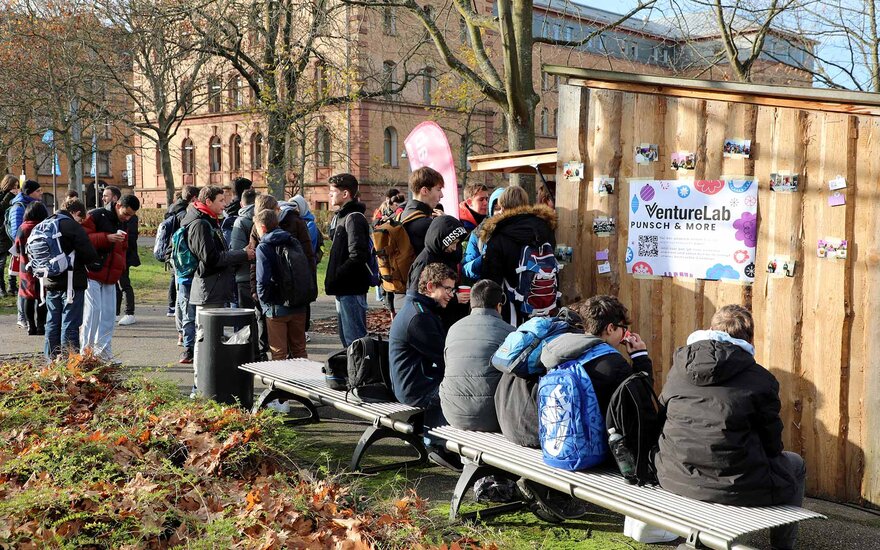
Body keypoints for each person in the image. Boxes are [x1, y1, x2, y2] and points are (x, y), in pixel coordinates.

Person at [654, 305, 805, 550]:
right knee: (796, 464)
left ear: (711, 330)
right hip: (733, 486)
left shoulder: (679, 369)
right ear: (749, 338)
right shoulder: (761, 379)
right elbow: (773, 445)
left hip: (675, 475)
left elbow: (662, 417)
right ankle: (783, 547)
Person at [389, 262, 458, 467]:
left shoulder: (418, 308)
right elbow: (444, 357)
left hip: (414, 381)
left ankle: (436, 440)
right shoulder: (418, 317)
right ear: (430, 287)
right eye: (447, 289)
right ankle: (438, 444)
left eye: (452, 289)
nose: (451, 294)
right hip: (415, 388)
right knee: (462, 392)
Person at [179, 186, 254, 371]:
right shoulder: (200, 224)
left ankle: (212, 380)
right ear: (208, 202)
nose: (225, 204)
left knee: (212, 337)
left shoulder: (208, 220)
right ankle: (201, 384)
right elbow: (211, 258)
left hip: (213, 287)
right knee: (205, 337)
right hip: (208, 289)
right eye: (221, 200)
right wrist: (242, 255)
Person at [439, 279, 513, 432]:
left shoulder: (453, 329)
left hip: (452, 412)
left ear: (471, 303)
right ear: (499, 306)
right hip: (493, 416)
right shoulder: (509, 332)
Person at [248, 194, 316, 359]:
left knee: (278, 352)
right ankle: (302, 383)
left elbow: (260, 274)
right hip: (299, 300)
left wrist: (262, 300)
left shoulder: (263, 246)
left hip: (276, 305)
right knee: (299, 349)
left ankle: (279, 385)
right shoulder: (294, 238)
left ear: (261, 227)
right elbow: (309, 260)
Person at [479, 185, 557, 325]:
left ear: (503, 206)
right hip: (545, 304)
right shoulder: (545, 228)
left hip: (513, 310)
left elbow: (491, 278)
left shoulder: (499, 234)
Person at [80, 193, 140, 360]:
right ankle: (86, 352)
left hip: (110, 274)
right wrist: (107, 238)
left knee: (108, 314)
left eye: (131, 215)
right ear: (118, 204)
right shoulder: (96, 215)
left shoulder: (122, 221)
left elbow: (122, 248)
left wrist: (123, 243)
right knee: (93, 312)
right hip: (92, 271)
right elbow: (83, 238)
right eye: (126, 213)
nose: (127, 218)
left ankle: (104, 351)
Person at [43, 198, 98, 360]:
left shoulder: (47, 222)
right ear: (76, 213)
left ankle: (50, 360)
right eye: (81, 219)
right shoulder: (72, 226)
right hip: (71, 282)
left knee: (52, 322)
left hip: (50, 279)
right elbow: (89, 254)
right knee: (70, 323)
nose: (81, 223)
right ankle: (69, 363)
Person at [324, 173, 372, 347]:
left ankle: (361, 374)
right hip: (343, 288)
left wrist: (338, 274)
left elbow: (358, 255)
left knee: (355, 342)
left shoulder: (353, 218)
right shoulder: (341, 217)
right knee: (347, 340)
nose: (329, 195)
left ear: (345, 194)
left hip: (351, 288)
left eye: (332, 191)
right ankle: (350, 372)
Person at [407, 214, 469, 329]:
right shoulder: (424, 262)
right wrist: (455, 299)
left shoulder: (448, 256)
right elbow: (417, 297)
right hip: (432, 320)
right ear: (442, 240)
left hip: (449, 318)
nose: (454, 248)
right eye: (452, 243)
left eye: (457, 243)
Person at [7, 180, 42, 329]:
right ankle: (23, 318)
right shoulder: (19, 206)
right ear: (30, 192)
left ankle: (30, 321)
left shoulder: (32, 205)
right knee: (26, 289)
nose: (41, 193)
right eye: (38, 191)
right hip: (23, 254)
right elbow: (16, 231)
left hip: (28, 253)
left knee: (30, 289)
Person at [14, 201, 49, 335]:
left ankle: (30, 325)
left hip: (25, 267)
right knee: (42, 297)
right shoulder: (45, 226)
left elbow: (17, 247)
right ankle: (41, 325)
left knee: (28, 297)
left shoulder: (23, 228)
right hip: (43, 267)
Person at [166, 185, 199, 323]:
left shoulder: (173, 209)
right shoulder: (184, 214)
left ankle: (171, 307)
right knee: (182, 291)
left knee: (176, 283)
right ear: (194, 198)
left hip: (172, 252)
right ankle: (182, 329)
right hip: (182, 255)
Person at [462, 187, 504, 283]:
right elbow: (466, 268)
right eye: (497, 208)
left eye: (505, 208)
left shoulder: (522, 232)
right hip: (489, 290)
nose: (501, 212)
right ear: (491, 210)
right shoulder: (479, 233)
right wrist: (483, 259)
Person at [400, 167, 444, 255]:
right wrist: (445, 222)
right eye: (438, 189)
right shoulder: (425, 223)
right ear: (424, 191)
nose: (441, 195)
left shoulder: (403, 215)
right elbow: (454, 254)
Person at [229, 188, 258, 309]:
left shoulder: (240, 222)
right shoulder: (266, 217)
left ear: (241, 204)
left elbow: (237, 251)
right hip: (260, 275)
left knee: (244, 320)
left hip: (244, 276)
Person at [115, 205, 140, 326]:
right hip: (116, 255)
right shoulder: (111, 215)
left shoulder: (130, 218)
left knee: (124, 283)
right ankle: (116, 312)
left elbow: (131, 237)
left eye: (106, 196)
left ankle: (129, 313)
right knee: (116, 285)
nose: (103, 198)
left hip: (125, 256)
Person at [0, 174, 19, 298]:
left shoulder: (16, 197)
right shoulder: (4, 196)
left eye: (17, 186)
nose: (16, 189)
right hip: (1, 234)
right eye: (14, 186)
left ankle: (12, 286)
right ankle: (2, 288)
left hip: (12, 233)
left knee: (14, 260)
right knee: (1, 263)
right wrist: (9, 195)